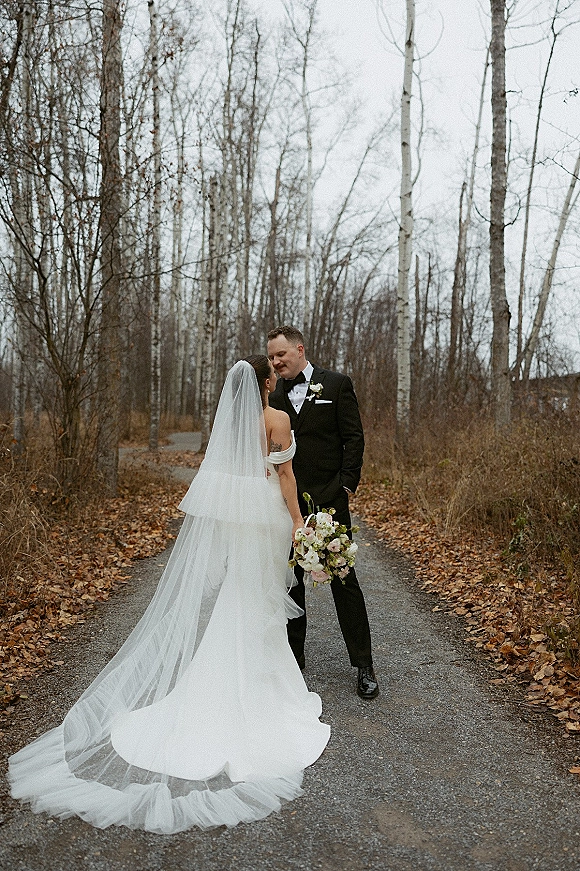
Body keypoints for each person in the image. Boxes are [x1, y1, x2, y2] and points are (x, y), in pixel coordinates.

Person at [8, 358, 330, 834]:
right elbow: (284, 478)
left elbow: (221, 480)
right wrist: (300, 523)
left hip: (239, 519)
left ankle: (228, 682)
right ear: (265, 383)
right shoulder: (276, 419)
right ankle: (263, 690)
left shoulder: (231, 428)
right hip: (266, 519)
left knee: (239, 598)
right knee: (261, 601)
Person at [267, 325, 379, 700]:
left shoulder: (336, 385)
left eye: (281, 355)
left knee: (344, 581)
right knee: (291, 582)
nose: (276, 362)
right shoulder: (271, 394)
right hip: (286, 504)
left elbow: (354, 438)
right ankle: (293, 665)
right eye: (271, 358)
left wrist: (346, 485)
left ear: (300, 349)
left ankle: (363, 664)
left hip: (331, 500)